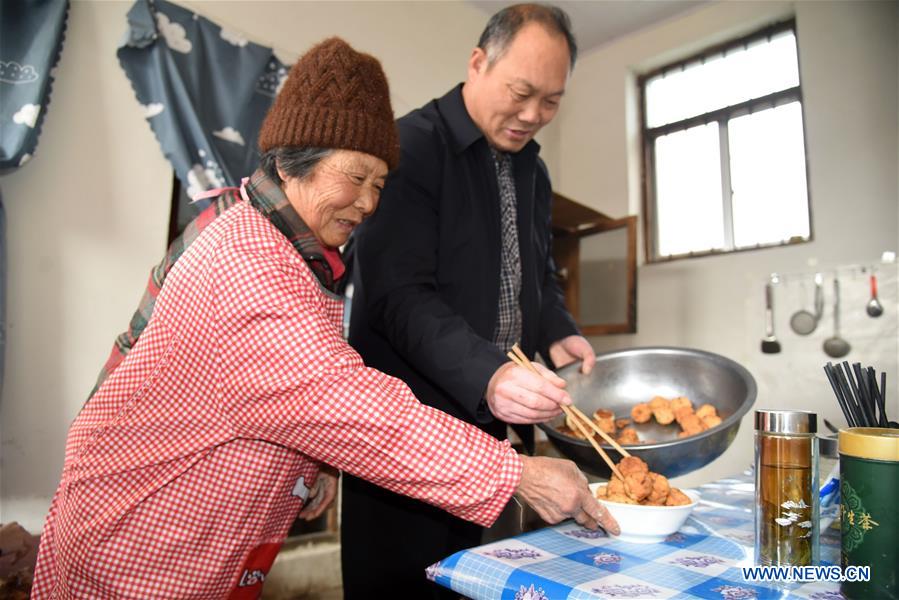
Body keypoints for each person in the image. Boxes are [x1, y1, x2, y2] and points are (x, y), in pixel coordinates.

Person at [31, 37, 615, 599]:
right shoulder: (247, 261)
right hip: (140, 552)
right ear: (291, 165)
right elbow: (337, 398)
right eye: (356, 178)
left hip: (185, 540)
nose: (368, 203)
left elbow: (282, 396)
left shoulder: (282, 246)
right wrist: (518, 475)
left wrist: (315, 465)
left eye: (379, 184)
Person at [342, 4, 597, 597]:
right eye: (521, 91)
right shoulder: (409, 147)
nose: (533, 115)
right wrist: (489, 374)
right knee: (409, 581)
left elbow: (536, 272)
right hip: (413, 431)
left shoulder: (534, 170)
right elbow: (397, 296)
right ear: (478, 62)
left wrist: (558, 326)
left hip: (502, 432)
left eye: (552, 101)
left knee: (498, 581)